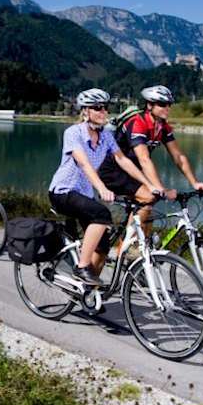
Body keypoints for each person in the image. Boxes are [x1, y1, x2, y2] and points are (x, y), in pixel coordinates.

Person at [48, 88, 158, 286]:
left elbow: (123, 160)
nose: (103, 112)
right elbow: (84, 163)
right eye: (97, 108)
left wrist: (148, 184)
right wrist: (101, 187)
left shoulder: (106, 136)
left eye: (105, 108)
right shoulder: (73, 133)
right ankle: (81, 268)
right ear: (85, 111)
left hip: (83, 195)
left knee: (103, 247)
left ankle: (87, 291)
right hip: (63, 192)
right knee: (101, 215)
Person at [97, 85, 203, 250]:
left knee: (148, 203)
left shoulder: (162, 126)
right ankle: (126, 247)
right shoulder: (137, 123)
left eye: (169, 104)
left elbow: (178, 156)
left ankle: (143, 250)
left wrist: (194, 183)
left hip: (132, 172)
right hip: (112, 170)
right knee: (149, 196)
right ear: (150, 105)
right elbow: (144, 159)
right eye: (163, 104)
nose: (168, 108)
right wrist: (160, 188)